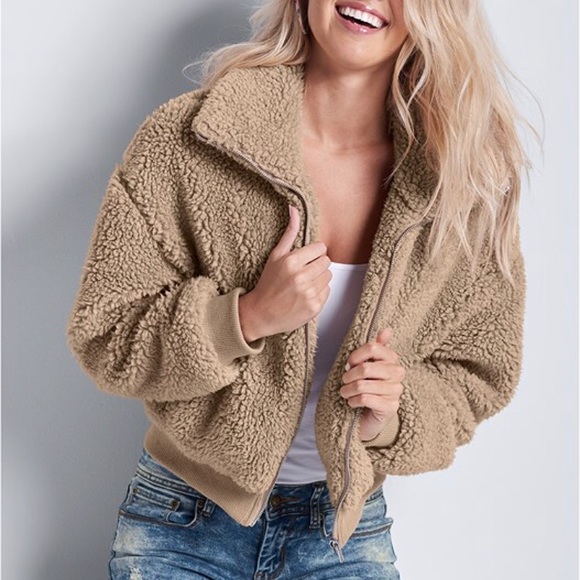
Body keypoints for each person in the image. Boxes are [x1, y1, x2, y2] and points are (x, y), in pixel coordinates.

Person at [66, 0, 529, 577]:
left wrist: (394, 411)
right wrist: (246, 317)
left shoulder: (459, 181)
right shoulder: (190, 139)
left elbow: (480, 371)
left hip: (342, 534)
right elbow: (105, 333)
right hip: (181, 522)